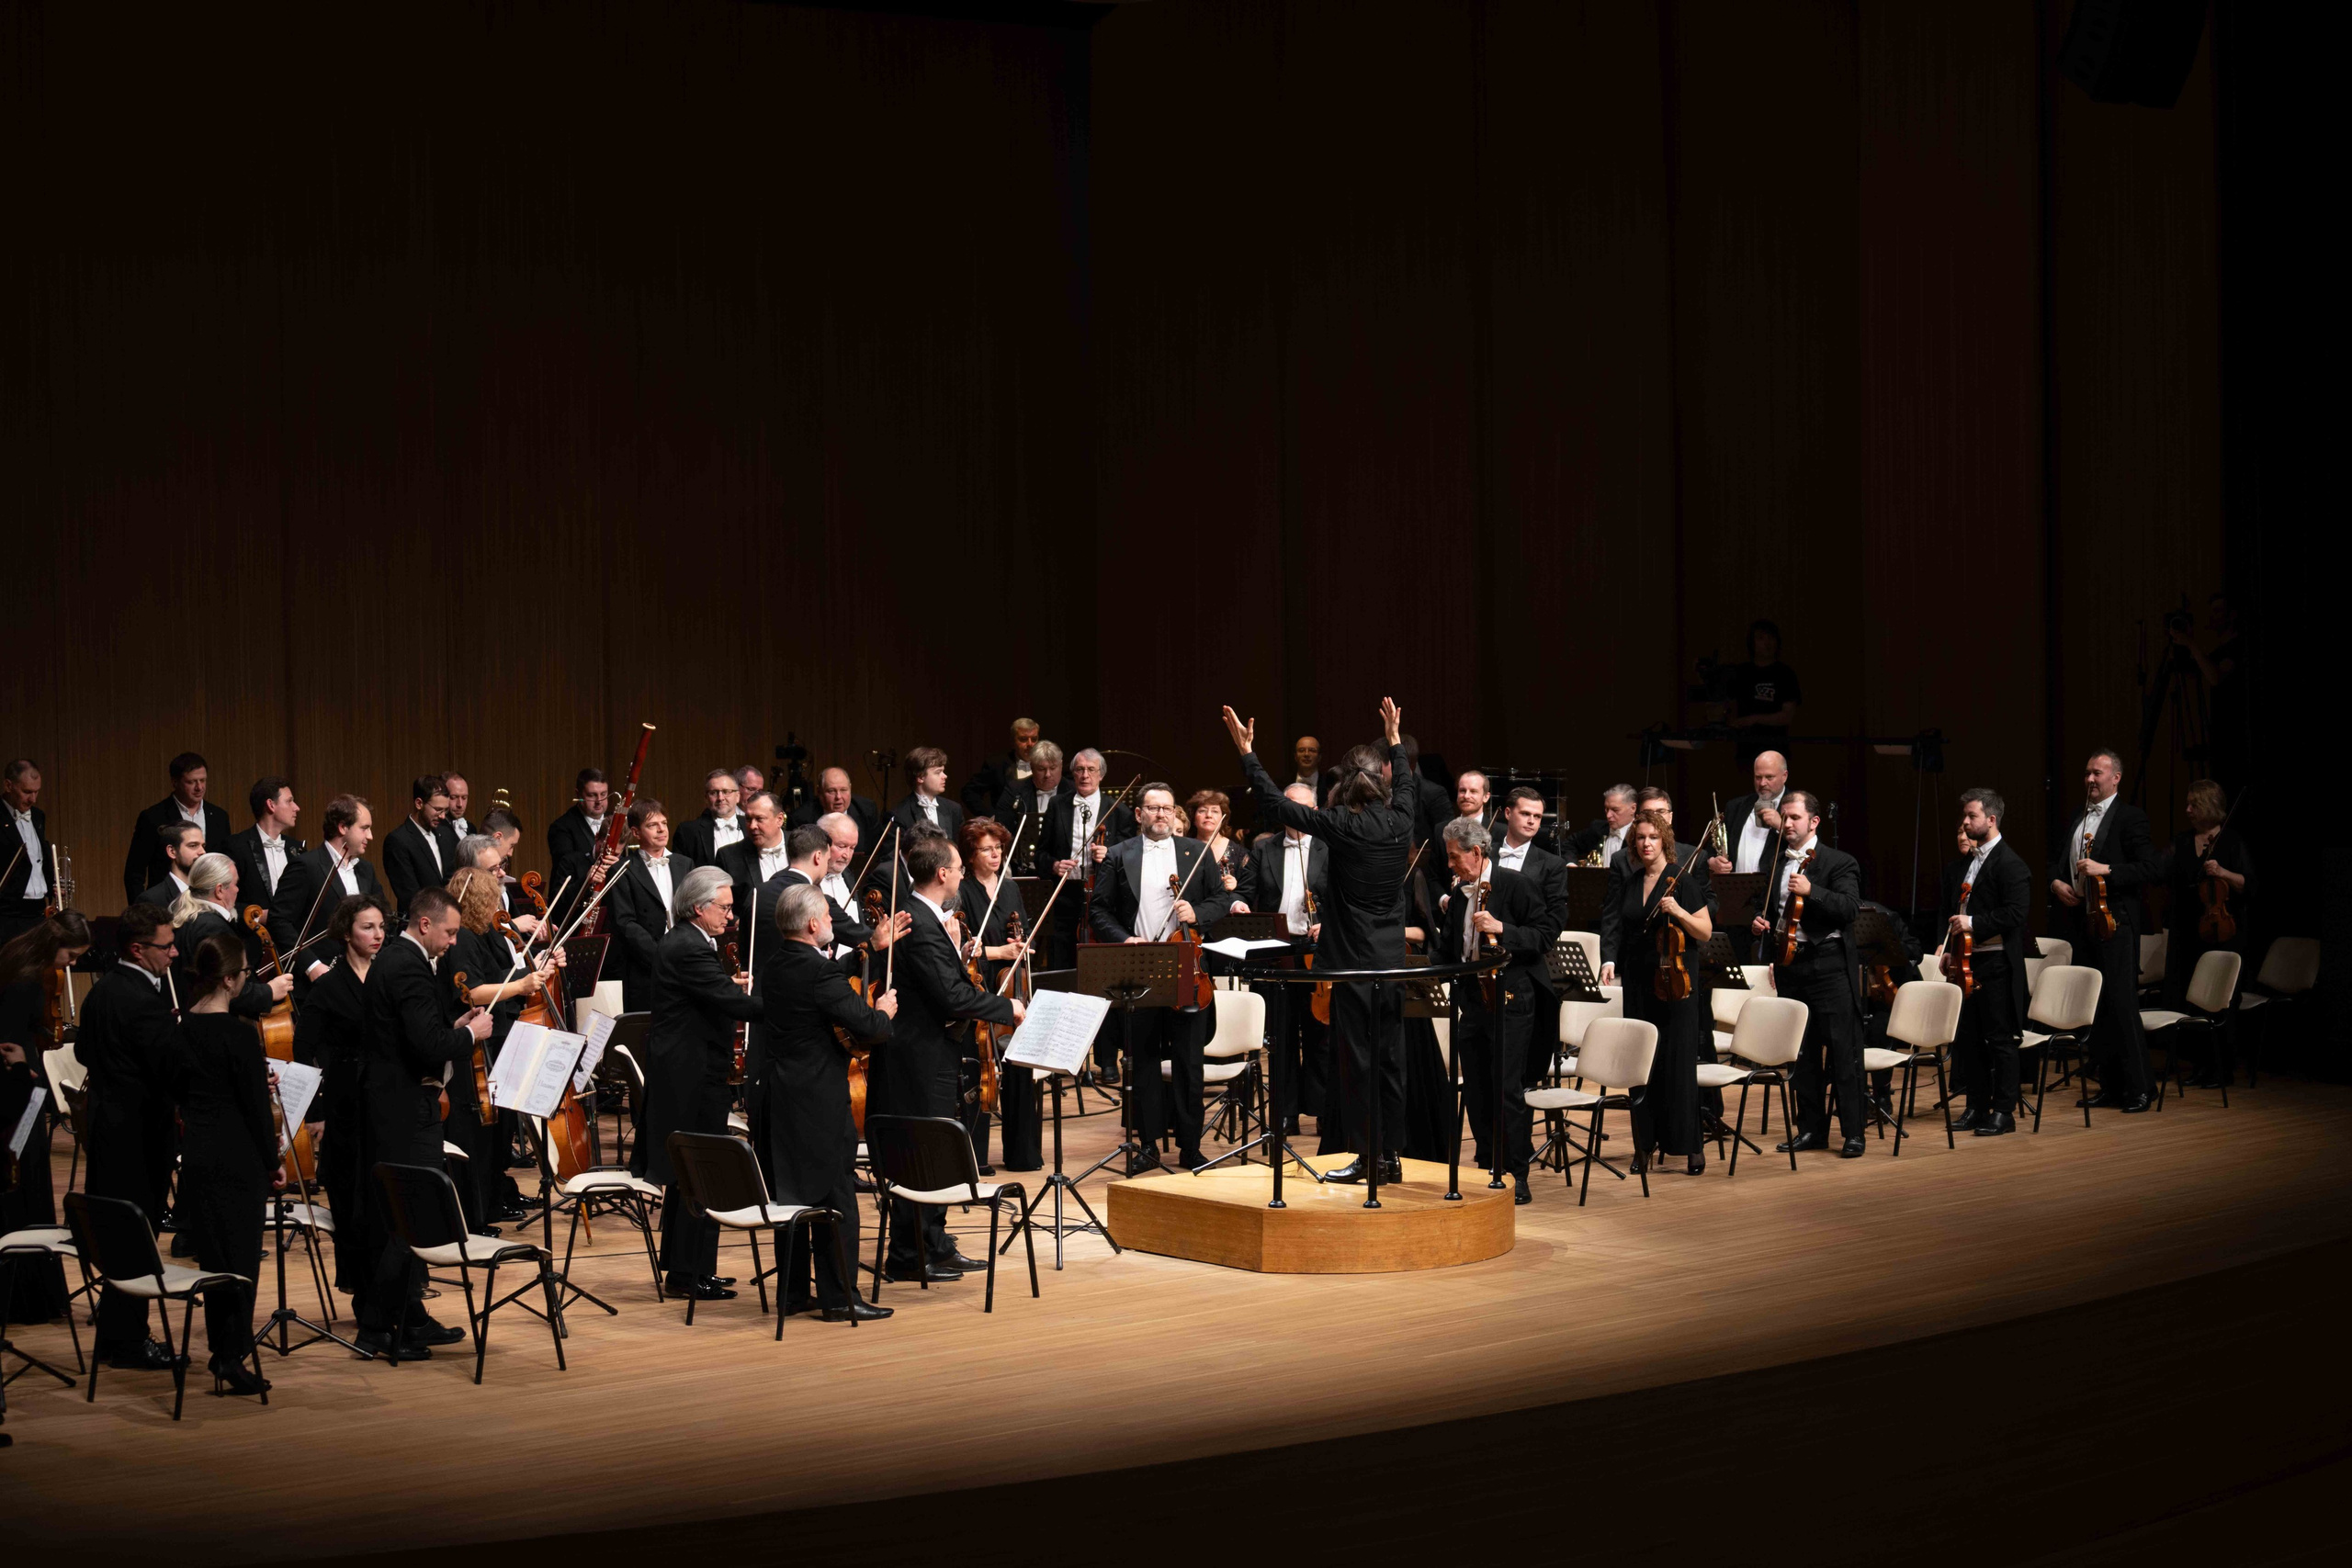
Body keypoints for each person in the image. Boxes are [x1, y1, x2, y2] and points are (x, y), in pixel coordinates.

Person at [1227, 697, 1418, 1185]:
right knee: (1390, 1062)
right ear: (1382, 781)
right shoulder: (1402, 819)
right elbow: (1408, 780)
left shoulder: (1341, 826)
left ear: (1344, 785)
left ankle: (1369, 1158)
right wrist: (1395, 739)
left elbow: (1275, 804)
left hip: (1352, 964)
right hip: (1391, 961)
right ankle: (1390, 1155)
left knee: (1356, 1064)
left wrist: (1248, 753)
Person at [872, 832, 1022, 1283]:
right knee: (921, 1153)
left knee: (932, 1151)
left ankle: (933, 1244)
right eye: (957, 867)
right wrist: (1007, 1008)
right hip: (916, 1061)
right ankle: (909, 1254)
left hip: (929, 1055)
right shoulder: (918, 920)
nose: (961, 874)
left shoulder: (927, 916)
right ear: (942, 873)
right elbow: (951, 995)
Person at [352, 887, 490, 1361]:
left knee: (410, 1217)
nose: (454, 942)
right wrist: (471, 1034)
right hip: (406, 1111)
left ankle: (409, 1319)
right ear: (425, 925)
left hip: (395, 1105)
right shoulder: (407, 964)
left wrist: (454, 1026)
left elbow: (416, 1034)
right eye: (450, 932)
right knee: (410, 1218)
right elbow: (427, 1048)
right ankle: (377, 1328)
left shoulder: (398, 961)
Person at [759, 883, 896, 1322]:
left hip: (779, 1093)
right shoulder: (819, 974)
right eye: (828, 917)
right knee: (837, 1198)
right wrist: (884, 1011)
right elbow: (869, 1028)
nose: (832, 924)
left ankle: (794, 1293)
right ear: (814, 923)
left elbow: (826, 980)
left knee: (792, 1196)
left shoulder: (775, 964)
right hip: (818, 1097)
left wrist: (861, 955)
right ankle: (840, 1298)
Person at [1088, 784, 1235, 1172]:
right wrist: (1125, 938)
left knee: (1190, 1061)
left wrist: (1197, 913)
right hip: (1140, 963)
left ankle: (1190, 1147)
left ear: (1174, 814)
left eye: (1167, 809)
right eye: (1153, 808)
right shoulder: (1120, 855)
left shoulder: (1196, 852)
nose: (1161, 815)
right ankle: (1149, 1144)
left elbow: (1220, 899)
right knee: (1143, 1060)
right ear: (1139, 815)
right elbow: (1099, 911)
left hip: (1188, 963)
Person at [636, 866, 763, 1302]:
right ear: (698, 907)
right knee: (699, 1171)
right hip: (692, 1078)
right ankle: (691, 1274)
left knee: (687, 1175)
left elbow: (707, 993)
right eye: (724, 908)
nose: (730, 917)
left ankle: (686, 1270)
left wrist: (724, 984)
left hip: (687, 1072)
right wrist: (789, 1001)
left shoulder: (689, 942)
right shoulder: (690, 947)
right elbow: (729, 1003)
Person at [76, 902, 184, 1369]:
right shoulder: (144, 1000)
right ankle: (127, 1341)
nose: (175, 953)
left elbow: (82, 1050)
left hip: (106, 1128)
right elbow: (169, 1069)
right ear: (138, 950)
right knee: (136, 1240)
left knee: (118, 1235)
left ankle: (116, 1333)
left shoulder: (101, 992)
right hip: (140, 1136)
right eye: (166, 946)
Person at [172, 931, 277, 1396]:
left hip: (198, 1151)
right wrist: (274, 1161)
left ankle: (222, 1349)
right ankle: (231, 1358)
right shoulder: (237, 1033)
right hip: (239, 1158)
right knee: (240, 1262)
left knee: (213, 1257)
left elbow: (179, 1090)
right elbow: (256, 1109)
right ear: (232, 980)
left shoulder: (182, 1027)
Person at [1439, 818, 1557, 1202]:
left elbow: (1543, 937)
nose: (1451, 864)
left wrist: (1502, 927)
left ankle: (1516, 1173)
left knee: (1506, 1089)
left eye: (1455, 857)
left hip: (1512, 1001)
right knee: (1476, 1088)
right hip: (1473, 1003)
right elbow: (1446, 954)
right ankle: (1488, 1164)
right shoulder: (1458, 896)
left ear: (1476, 853)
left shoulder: (1516, 885)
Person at [1599, 811, 1716, 1175]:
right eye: (1640, 838)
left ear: (1664, 839)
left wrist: (1679, 911)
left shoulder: (1681, 881)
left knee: (1677, 1067)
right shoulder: (1632, 882)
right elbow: (1617, 924)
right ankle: (1643, 1146)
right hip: (1638, 980)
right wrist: (1609, 960)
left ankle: (1691, 1147)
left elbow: (1705, 932)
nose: (1646, 843)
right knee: (1641, 1066)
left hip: (1676, 983)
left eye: (1652, 837)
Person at [1751, 793, 1867, 1157]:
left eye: (1795, 818)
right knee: (1801, 1054)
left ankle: (1853, 1133)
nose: (1787, 824)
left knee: (1842, 1052)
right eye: (1784, 818)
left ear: (1814, 822)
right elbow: (1771, 907)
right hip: (1791, 964)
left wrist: (1812, 891)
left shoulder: (1839, 862)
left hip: (1829, 966)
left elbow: (1849, 909)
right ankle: (1811, 1130)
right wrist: (1762, 924)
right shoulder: (1774, 861)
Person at [447, 853, 557, 1225]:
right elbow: (473, 991)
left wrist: (537, 967)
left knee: (499, 1132)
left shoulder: (484, 933)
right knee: (482, 1135)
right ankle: (476, 1214)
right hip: (483, 1041)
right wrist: (523, 984)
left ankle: (490, 1205)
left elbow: (506, 972)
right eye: (493, 895)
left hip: (502, 1035)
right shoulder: (462, 939)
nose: (499, 903)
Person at [2045, 749, 2156, 1113]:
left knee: (2123, 1005)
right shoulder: (2079, 817)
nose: (2090, 779)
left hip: (2117, 922)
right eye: (2087, 773)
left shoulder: (2131, 818)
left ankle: (2141, 1089)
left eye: (2097, 773)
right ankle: (2110, 1087)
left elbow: (2149, 869)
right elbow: (2058, 863)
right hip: (2086, 923)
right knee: (2099, 1009)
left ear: (2116, 778)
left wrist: (2106, 869)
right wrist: (2056, 883)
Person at [291, 894, 385, 1293]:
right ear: (346, 934)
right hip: (343, 1101)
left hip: (381, 1101)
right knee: (350, 1197)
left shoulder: (388, 978)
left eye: (381, 926)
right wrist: (314, 1110)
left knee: (382, 1197)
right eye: (368, 927)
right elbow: (302, 1050)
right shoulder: (328, 986)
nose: (378, 934)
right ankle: (359, 1284)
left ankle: (388, 1284)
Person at [0, 911, 91, 1324]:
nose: (71, 964)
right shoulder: (25, 983)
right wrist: (25, 1067)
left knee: (24, 1182)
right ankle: (27, 1297)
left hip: (21, 1083)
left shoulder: (18, 962)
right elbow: (10, 1039)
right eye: (70, 955)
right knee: (27, 1181)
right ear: (54, 944)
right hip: (20, 1090)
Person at [1938, 789, 2030, 1137]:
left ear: (1991, 820)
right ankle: (1976, 1106)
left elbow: (2016, 913)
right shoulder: (1967, 862)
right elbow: (1954, 911)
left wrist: (1973, 924)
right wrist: (1950, 946)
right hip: (1965, 960)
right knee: (1969, 1039)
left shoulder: (2011, 863)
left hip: (1997, 965)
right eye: (1965, 816)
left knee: (2000, 1040)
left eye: (1971, 816)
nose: (1965, 822)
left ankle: (2004, 1112)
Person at [1238, 784, 1327, 1134]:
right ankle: (1286, 1113)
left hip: (1316, 951)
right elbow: (1246, 891)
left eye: (1304, 808)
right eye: (1291, 807)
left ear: (1315, 810)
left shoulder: (1329, 847)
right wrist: (1238, 904)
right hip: (1277, 952)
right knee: (1282, 1035)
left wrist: (1329, 925)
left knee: (1320, 1034)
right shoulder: (1264, 848)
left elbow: (1344, 896)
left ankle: (1321, 1111)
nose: (1298, 814)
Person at [2154, 779, 2253, 1087]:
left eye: (2193, 805)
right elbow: (2159, 871)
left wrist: (2222, 872)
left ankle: (2222, 1068)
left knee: (2219, 1000)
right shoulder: (2183, 841)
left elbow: (2249, 884)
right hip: (2188, 932)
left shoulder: (2231, 841)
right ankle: (2198, 1065)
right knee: (2191, 1001)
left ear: (2210, 806)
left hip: (2222, 931)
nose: (2188, 810)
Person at [956, 818, 1032, 1170]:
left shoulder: (1010, 887)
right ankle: (976, 1156)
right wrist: (999, 952)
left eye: (999, 848)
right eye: (987, 849)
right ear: (971, 855)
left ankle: (1022, 1153)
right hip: (978, 986)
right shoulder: (962, 890)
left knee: (1018, 1067)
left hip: (1011, 985)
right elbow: (961, 950)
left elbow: (1022, 929)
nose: (995, 854)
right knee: (980, 1069)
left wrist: (1020, 946)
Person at [268, 795, 386, 993]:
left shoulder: (366, 869)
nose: (371, 836)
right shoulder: (306, 866)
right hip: (318, 983)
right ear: (342, 828)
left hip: (363, 980)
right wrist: (312, 966)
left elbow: (384, 918)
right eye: (364, 828)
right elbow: (278, 921)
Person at [169, 853, 294, 1022]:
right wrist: (270, 991)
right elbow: (227, 987)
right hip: (211, 1027)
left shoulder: (193, 918)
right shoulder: (212, 927)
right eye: (235, 884)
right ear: (220, 890)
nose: (237, 890)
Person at [1041, 748, 1133, 969]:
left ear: (1101, 775)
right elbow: (1041, 854)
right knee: (1062, 956)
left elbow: (1131, 859)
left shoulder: (1118, 810)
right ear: (1073, 773)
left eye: (1092, 770)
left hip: (1102, 894)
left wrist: (1110, 854)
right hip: (1064, 893)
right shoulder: (1057, 805)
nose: (1085, 775)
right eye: (1080, 769)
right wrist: (1054, 865)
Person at [609, 799, 695, 1011]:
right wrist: (660, 956)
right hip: (645, 967)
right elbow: (625, 923)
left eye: (664, 823)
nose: (661, 830)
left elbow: (695, 911)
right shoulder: (622, 870)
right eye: (652, 825)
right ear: (636, 833)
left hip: (685, 961)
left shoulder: (685, 864)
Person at [122, 751, 232, 904]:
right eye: (191, 782)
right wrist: (141, 914)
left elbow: (224, 864)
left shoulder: (220, 817)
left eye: (203, 780)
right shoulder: (153, 817)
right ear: (175, 782)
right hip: (167, 905)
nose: (199, 787)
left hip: (209, 903)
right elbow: (134, 872)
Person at [1718, 620, 1801, 766]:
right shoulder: (1741, 673)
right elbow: (1729, 707)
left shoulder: (1785, 674)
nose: (1767, 643)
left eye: (1771, 638)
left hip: (1776, 750)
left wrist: (1754, 719)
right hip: (1746, 750)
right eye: (1761, 638)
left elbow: (1787, 715)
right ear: (1752, 643)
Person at [717, 790, 793, 946]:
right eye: (748, 819)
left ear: (779, 819)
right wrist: (737, 921)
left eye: (759, 819)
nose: (752, 826)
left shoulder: (801, 844)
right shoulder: (729, 856)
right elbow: (718, 902)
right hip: (755, 943)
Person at [225, 776, 302, 917]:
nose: (297, 808)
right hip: (252, 935)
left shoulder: (296, 848)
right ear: (271, 805)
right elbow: (225, 900)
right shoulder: (236, 847)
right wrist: (259, 917)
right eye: (289, 801)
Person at [993, 739, 1069, 875]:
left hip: (1063, 869)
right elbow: (1001, 829)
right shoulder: (1014, 790)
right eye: (1041, 769)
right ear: (1032, 767)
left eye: (1053, 768)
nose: (1048, 774)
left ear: (1061, 765)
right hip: (1025, 868)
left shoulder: (1072, 791)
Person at [547, 768, 611, 924]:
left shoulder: (617, 824)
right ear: (578, 795)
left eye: (603, 794)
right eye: (592, 795)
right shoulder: (561, 827)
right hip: (574, 912)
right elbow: (568, 870)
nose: (599, 802)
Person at [1712, 751, 1790, 878]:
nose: (1763, 783)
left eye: (1769, 777)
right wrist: (1714, 862)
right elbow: (1716, 846)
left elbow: (1810, 847)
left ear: (1784, 776)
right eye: (1758, 777)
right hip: (1737, 890)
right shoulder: (1735, 807)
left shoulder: (1799, 806)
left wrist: (1781, 826)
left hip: (1775, 894)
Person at [382, 774, 452, 916]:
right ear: (419, 803)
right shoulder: (398, 840)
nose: (443, 816)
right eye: (438, 810)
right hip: (420, 924)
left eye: (445, 810)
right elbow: (410, 896)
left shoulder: (445, 832)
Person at [1, 760, 51, 947]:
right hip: (8, 914)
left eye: (37, 791)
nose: (33, 799)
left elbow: (38, 859)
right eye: (27, 792)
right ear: (8, 785)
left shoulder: (38, 816)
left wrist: (52, 882)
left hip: (38, 911)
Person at [962, 717, 1041, 821]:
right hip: (1005, 829)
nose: (1030, 744)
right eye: (1023, 739)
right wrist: (990, 816)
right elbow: (969, 792)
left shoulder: (1047, 765)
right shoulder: (996, 765)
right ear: (1013, 741)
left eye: (1034, 739)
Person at [786, 767, 884, 851]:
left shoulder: (867, 810)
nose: (838, 797)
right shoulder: (801, 818)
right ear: (819, 792)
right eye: (831, 791)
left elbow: (876, 851)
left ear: (850, 788)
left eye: (843, 790)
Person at [888, 747, 965, 845]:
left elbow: (963, 849)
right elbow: (891, 857)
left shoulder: (954, 809)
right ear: (920, 777)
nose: (945, 776)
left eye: (943, 771)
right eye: (938, 772)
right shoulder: (899, 815)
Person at [673, 769, 746, 865]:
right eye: (714, 793)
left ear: (737, 796)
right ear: (706, 799)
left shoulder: (752, 825)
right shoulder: (688, 831)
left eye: (726, 792)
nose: (720, 798)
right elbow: (681, 871)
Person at [1560, 784, 1638, 868]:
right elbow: (1568, 844)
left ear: (1633, 808)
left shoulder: (1641, 835)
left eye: (1615, 810)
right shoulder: (1598, 828)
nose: (1608, 815)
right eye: (1606, 809)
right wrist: (1571, 864)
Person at [140, 821, 207, 910]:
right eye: (193, 845)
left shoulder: (209, 893)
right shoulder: (152, 900)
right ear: (172, 851)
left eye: (203, 846)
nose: (203, 852)